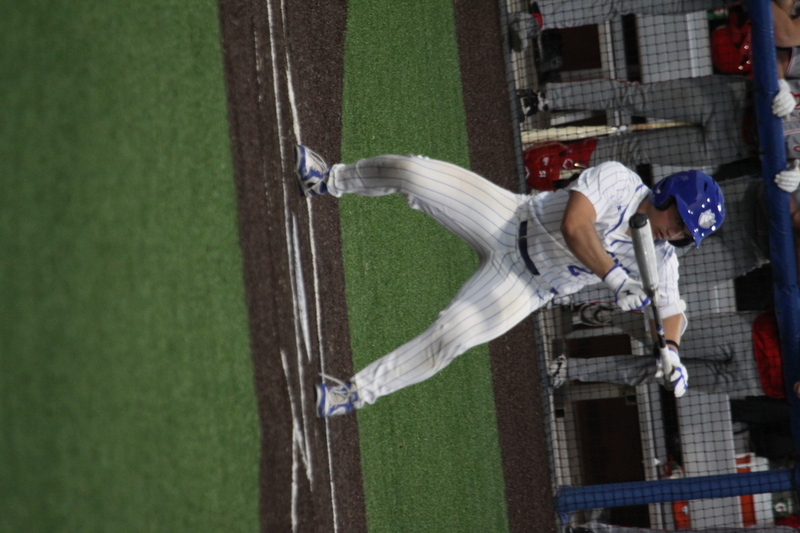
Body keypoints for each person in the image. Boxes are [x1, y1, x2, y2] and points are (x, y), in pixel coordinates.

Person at [292, 145, 726, 417]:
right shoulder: (619, 180)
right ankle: (329, 179)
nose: (678, 232)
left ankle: (353, 394)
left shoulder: (663, 260)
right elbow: (576, 225)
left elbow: (672, 313)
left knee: (451, 336)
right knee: (413, 174)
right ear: (668, 192)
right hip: (508, 219)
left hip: (526, 287)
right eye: (681, 219)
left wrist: (671, 352)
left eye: (689, 233)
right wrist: (614, 278)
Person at [549, 309, 800, 399]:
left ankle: (570, 369)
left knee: (654, 370)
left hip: (756, 381)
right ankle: (611, 314)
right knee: (657, 337)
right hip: (753, 334)